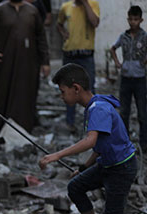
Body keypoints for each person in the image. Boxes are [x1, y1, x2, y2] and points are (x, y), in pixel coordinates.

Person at [39, 63, 140, 214]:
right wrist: (85, 167)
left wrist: (56, 155)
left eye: (62, 91)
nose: (61, 95)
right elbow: (102, 142)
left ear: (76, 88)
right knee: (75, 186)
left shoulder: (98, 109)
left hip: (121, 168)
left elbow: (91, 140)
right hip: (107, 163)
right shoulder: (94, 106)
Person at [0, 0, 50, 134]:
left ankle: (24, 129)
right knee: (2, 93)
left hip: (29, 62)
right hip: (5, 61)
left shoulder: (32, 11)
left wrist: (45, 61)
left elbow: (41, 37)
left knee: (26, 93)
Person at [57, 0, 100, 132]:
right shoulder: (66, 6)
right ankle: (70, 123)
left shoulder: (92, 4)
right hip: (69, 54)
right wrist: (63, 33)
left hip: (86, 55)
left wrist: (85, 4)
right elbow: (59, 24)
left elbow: (95, 23)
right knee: (68, 89)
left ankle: (94, 123)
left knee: (89, 88)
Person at [111, 5, 147, 153]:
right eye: (131, 19)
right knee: (124, 112)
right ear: (128, 19)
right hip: (125, 78)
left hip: (140, 79)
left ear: (141, 20)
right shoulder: (123, 36)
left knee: (142, 113)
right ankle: (124, 142)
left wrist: (143, 62)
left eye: (136, 19)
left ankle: (143, 143)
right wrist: (117, 63)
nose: (133, 22)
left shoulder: (144, 37)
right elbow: (113, 48)